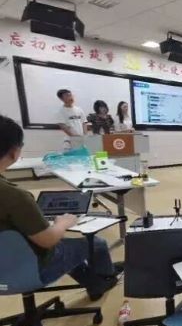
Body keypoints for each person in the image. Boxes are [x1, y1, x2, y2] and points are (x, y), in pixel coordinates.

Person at [0, 115, 121, 300]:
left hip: (6, 261)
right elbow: (48, 241)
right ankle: (106, 278)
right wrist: (62, 223)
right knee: (96, 243)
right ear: (15, 152)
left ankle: (93, 282)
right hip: (27, 269)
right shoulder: (15, 197)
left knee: (68, 247)